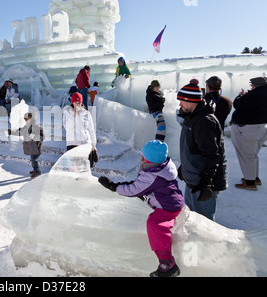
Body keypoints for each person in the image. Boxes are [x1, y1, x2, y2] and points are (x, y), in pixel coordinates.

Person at [98, 140, 184, 277]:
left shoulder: (152, 175)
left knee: (155, 224)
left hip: (168, 207)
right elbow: (141, 185)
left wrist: (113, 187)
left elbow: (133, 189)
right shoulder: (162, 168)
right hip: (172, 202)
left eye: (143, 156)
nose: (141, 158)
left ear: (148, 158)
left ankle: (167, 263)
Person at [177, 81, 227, 221]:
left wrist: (207, 183)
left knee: (204, 222)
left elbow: (212, 154)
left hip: (201, 182)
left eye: (182, 101)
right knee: (192, 219)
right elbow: (193, 148)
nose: (180, 104)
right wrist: (185, 166)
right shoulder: (191, 117)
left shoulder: (204, 122)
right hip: (192, 178)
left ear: (191, 101)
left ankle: (206, 244)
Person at [230, 77, 267, 190]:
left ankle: (250, 183)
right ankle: (254, 178)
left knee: (246, 155)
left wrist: (240, 95)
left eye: (252, 85)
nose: (251, 87)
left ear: (256, 85)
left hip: (248, 129)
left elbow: (237, 104)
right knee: (252, 155)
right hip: (262, 126)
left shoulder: (254, 95)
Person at [63, 92, 97, 167]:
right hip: (72, 143)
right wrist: (73, 116)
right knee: (73, 168)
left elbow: (91, 129)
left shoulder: (86, 113)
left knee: (85, 168)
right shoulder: (67, 112)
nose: (77, 104)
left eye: (79, 102)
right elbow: (67, 127)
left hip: (85, 143)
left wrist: (94, 145)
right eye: (75, 102)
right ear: (72, 103)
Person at [9, 112, 45, 178]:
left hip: (36, 148)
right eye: (26, 119)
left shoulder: (37, 127)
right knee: (33, 160)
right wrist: (11, 131)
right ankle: (35, 170)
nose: (27, 121)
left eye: (28, 119)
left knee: (34, 160)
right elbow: (19, 132)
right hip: (31, 147)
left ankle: (37, 172)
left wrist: (32, 135)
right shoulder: (26, 127)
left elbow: (42, 137)